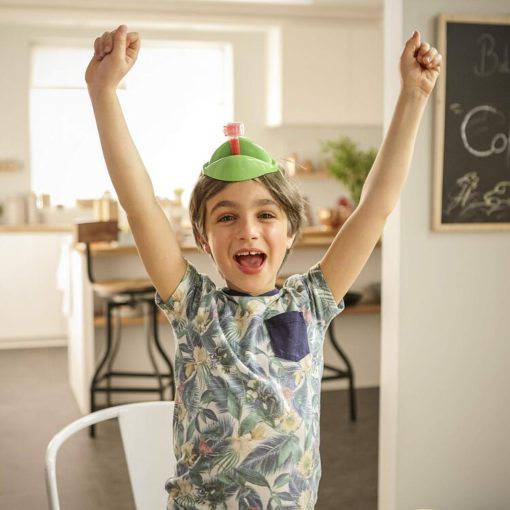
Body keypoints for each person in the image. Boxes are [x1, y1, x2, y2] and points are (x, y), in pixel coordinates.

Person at [85, 25, 441, 510]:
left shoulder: (312, 302)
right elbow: (140, 204)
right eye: (226, 217)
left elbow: (375, 207)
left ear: (291, 231)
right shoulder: (195, 307)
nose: (247, 230)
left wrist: (414, 95)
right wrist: (104, 91)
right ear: (204, 240)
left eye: (266, 215)